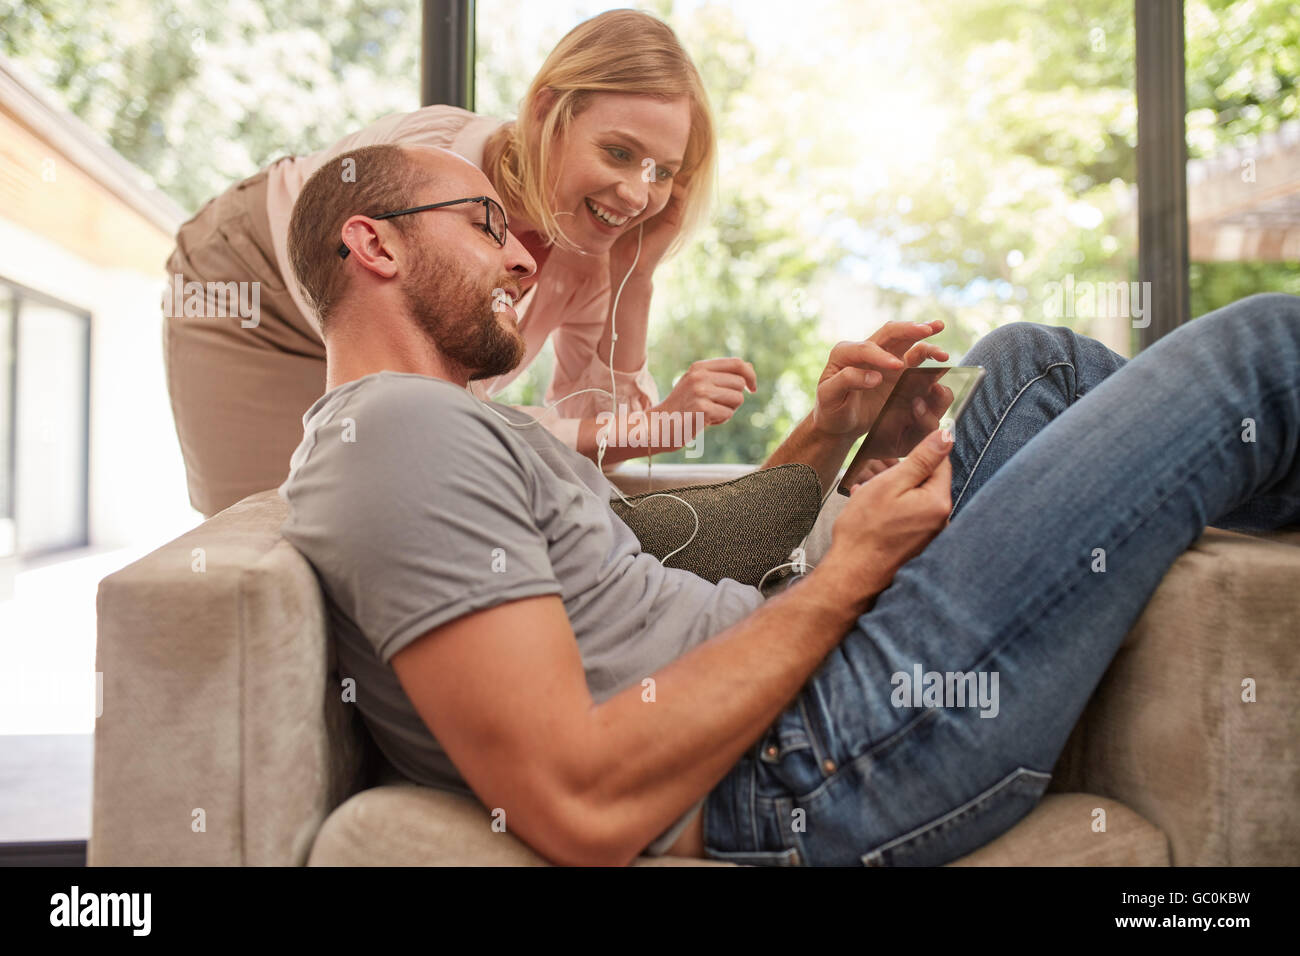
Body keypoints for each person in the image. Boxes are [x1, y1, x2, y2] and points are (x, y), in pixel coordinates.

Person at [278, 143, 1300, 865]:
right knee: (1260, 351)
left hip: (801, 695)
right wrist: (852, 568)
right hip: (814, 758)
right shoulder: (396, 438)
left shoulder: (443, 432)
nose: (520, 258)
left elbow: (679, 561)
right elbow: (573, 799)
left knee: (1033, 363)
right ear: (374, 246)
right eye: (484, 225)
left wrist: (847, 442)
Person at [164, 9, 753, 518]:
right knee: (270, 530)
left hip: (370, 346)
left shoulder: (594, 253)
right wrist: (641, 428)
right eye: (618, 152)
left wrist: (637, 276)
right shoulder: (439, 162)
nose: (634, 193)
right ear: (548, 111)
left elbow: (605, 442)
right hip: (253, 288)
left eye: (662, 172)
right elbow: (436, 402)